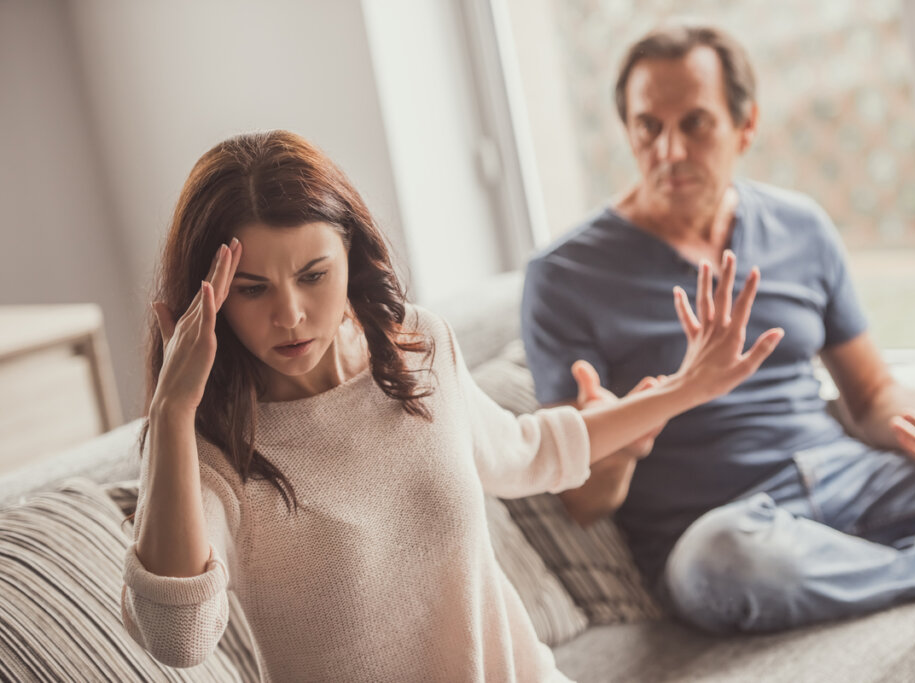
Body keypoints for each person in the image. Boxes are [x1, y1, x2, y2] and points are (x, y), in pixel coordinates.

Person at [120, 129, 779, 681]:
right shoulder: (206, 446)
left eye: (313, 275)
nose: (289, 314)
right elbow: (178, 639)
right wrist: (172, 415)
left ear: (350, 253)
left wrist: (686, 389)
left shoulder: (415, 346)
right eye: (252, 288)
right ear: (208, 297)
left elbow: (529, 450)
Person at [521, 22, 915, 634]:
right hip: (726, 530)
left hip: (851, 478)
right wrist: (618, 444)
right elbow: (582, 503)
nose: (669, 150)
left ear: (746, 125)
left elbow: (872, 397)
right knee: (724, 564)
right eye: (648, 126)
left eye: (695, 124)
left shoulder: (801, 227)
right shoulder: (564, 277)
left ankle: (874, 561)